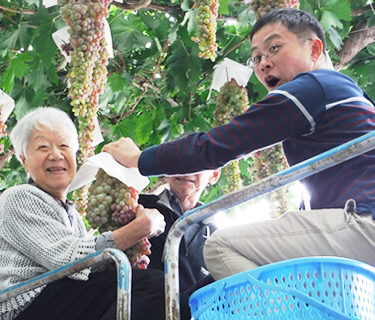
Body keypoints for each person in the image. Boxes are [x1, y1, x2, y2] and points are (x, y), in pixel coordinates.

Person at [102, 8, 375, 281]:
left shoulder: (313, 87)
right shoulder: (347, 93)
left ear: (314, 49)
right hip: (356, 231)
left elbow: (215, 147)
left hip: (362, 222)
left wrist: (138, 160)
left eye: (274, 48)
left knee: (221, 247)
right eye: (256, 57)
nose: (264, 63)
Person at [0, 107, 188, 320]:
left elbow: (88, 269)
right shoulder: (20, 197)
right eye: (43, 147)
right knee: (151, 286)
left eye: (64, 146)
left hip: (53, 301)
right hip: (20, 310)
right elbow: (68, 260)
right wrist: (138, 229)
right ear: (25, 161)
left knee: (162, 294)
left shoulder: (70, 214)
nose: (56, 155)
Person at [139, 169, 220, 296]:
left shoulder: (217, 240)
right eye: (179, 160)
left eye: (198, 163)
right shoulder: (139, 206)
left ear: (214, 175)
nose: (186, 169)